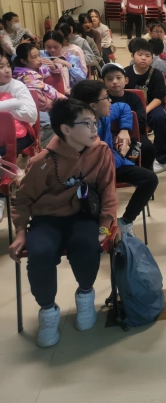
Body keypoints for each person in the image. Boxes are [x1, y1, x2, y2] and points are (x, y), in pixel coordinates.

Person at [9, 98, 117, 347]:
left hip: (83, 216)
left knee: (88, 245)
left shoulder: (101, 151)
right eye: (87, 123)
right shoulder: (42, 161)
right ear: (66, 129)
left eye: (95, 122)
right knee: (40, 253)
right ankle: (48, 310)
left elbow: (108, 193)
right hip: (47, 219)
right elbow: (22, 200)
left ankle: (85, 295)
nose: (94, 128)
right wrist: (20, 232)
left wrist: (104, 225)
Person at [70, 80, 159, 239]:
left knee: (149, 179)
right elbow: (91, 164)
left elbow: (124, 107)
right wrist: (117, 158)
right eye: (106, 98)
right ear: (93, 106)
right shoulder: (79, 131)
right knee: (94, 198)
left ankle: (125, 222)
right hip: (91, 175)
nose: (110, 100)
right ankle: (98, 229)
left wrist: (124, 129)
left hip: (112, 164)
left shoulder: (104, 114)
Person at [124, 44, 166, 172]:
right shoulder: (125, 73)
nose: (143, 58)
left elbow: (159, 98)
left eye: (147, 55)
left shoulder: (156, 74)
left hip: (151, 107)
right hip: (129, 109)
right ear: (132, 56)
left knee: (161, 118)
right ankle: (130, 157)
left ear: (152, 58)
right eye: (140, 55)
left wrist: (144, 110)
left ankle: (161, 159)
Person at [102, 62, 157, 172]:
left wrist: (127, 132)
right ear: (104, 83)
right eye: (109, 79)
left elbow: (141, 122)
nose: (114, 81)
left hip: (133, 135)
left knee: (147, 148)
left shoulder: (134, 98)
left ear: (126, 80)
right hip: (107, 136)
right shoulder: (103, 100)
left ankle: (143, 173)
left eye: (118, 78)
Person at [0, 51, 38, 155]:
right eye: (1, 67)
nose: (7, 70)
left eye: (8, 66)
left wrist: (6, 113)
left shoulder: (18, 86)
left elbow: (32, 115)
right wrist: (13, 104)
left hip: (22, 133)